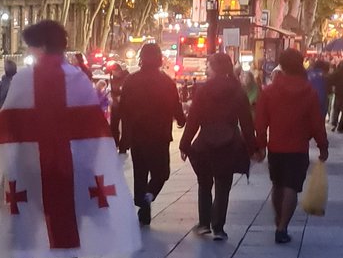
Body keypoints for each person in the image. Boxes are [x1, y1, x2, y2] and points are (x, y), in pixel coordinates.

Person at [0, 19, 139, 258]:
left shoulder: (23, 80)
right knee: (68, 228)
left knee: (25, 227)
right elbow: (94, 129)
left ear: (42, 46)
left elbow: (8, 126)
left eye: (31, 45)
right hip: (70, 171)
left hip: (31, 170)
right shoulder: (79, 80)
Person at [255, 48, 329, 245]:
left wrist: (260, 145)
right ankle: (282, 227)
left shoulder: (269, 91)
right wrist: (323, 145)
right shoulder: (309, 92)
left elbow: (261, 121)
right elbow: (316, 122)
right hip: (298, 148)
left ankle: (278, 219)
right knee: (292, 187)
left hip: (276, 147)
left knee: (277, 185)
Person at [180, 52, 256, 241]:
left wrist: (185, 143)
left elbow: (194, 119)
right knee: (223, 185)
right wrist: (253, 147)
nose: (206, 69)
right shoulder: (237, 90)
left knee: (204, 183)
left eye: (208, 66)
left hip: (205, 142)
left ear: (215, 68)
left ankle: (204, 223)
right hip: (229, 142)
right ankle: (218, 227)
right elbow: (247, 122)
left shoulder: (203, 90)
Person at [118, 42, 186, 226]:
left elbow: (123, 110)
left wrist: (123, 139)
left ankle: (142, 203)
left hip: (138, 136)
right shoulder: (166, 82)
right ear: (159, 59)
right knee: (161, 172)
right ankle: (148, 196)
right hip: (159, 135)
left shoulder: (131, 81)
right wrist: (181, 119)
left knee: (140, 172)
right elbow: (175, 105)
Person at [108, 62, 128, 151]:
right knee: (114, 125)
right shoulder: (111, 78)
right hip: (115, 105)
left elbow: (129, 90)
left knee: (125, 125)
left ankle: (124, 145)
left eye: (115, 71)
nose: (114, 73)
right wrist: (113, 97)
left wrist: (122, 97)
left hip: (125, 105)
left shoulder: (127, 78)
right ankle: (115, 142)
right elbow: (111, 90)